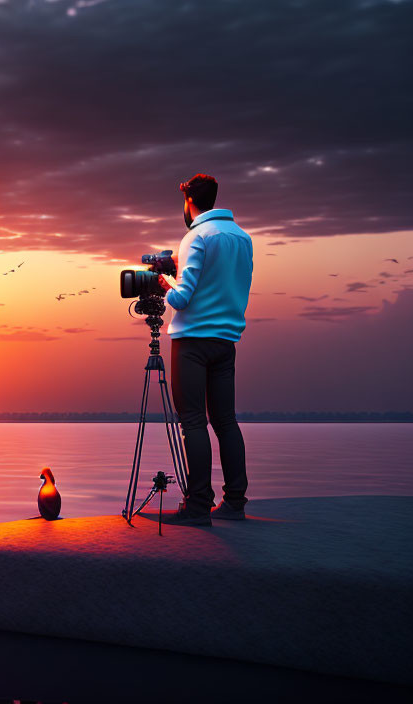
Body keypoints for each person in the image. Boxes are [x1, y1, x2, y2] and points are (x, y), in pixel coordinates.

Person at [156, 173, 253, 526]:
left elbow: (181, 298)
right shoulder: (242, 238)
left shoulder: (195, 236)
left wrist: (164, 281)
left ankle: (198, 506)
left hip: (193, 342)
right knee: (226, 422)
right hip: (226, 342)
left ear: (190, 202)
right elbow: (228, 284)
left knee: (193, 421)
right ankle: (235, 503)